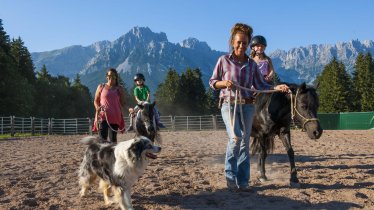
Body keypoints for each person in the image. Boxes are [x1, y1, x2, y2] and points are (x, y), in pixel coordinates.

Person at [209, 23, 289, 192]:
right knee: (235, 138)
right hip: (228, 105)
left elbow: (260, 84)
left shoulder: (252, 64)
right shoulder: (223, 60)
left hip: (247, 106)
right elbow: (212, 82)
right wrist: (224, 83)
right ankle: (230, 177)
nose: (241, 46)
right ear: (232, 41)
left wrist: (277, 87)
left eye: (244, 43)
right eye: (238, 42)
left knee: (245, 142)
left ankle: (243, 181)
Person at [93, 68, 126, 143]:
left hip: (115, 117)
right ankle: (102, 154)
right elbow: (95, 100)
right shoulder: (101, 86)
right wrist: (97, 108)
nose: (111, 77)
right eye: (110, 75)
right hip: (103, 116)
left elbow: (123, 103)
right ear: (106, 77)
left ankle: (112, 154)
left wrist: (130, 109)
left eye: (114, 75)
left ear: (116, 77)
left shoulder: (119, 88)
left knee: (113, 139)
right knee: (102, 138)